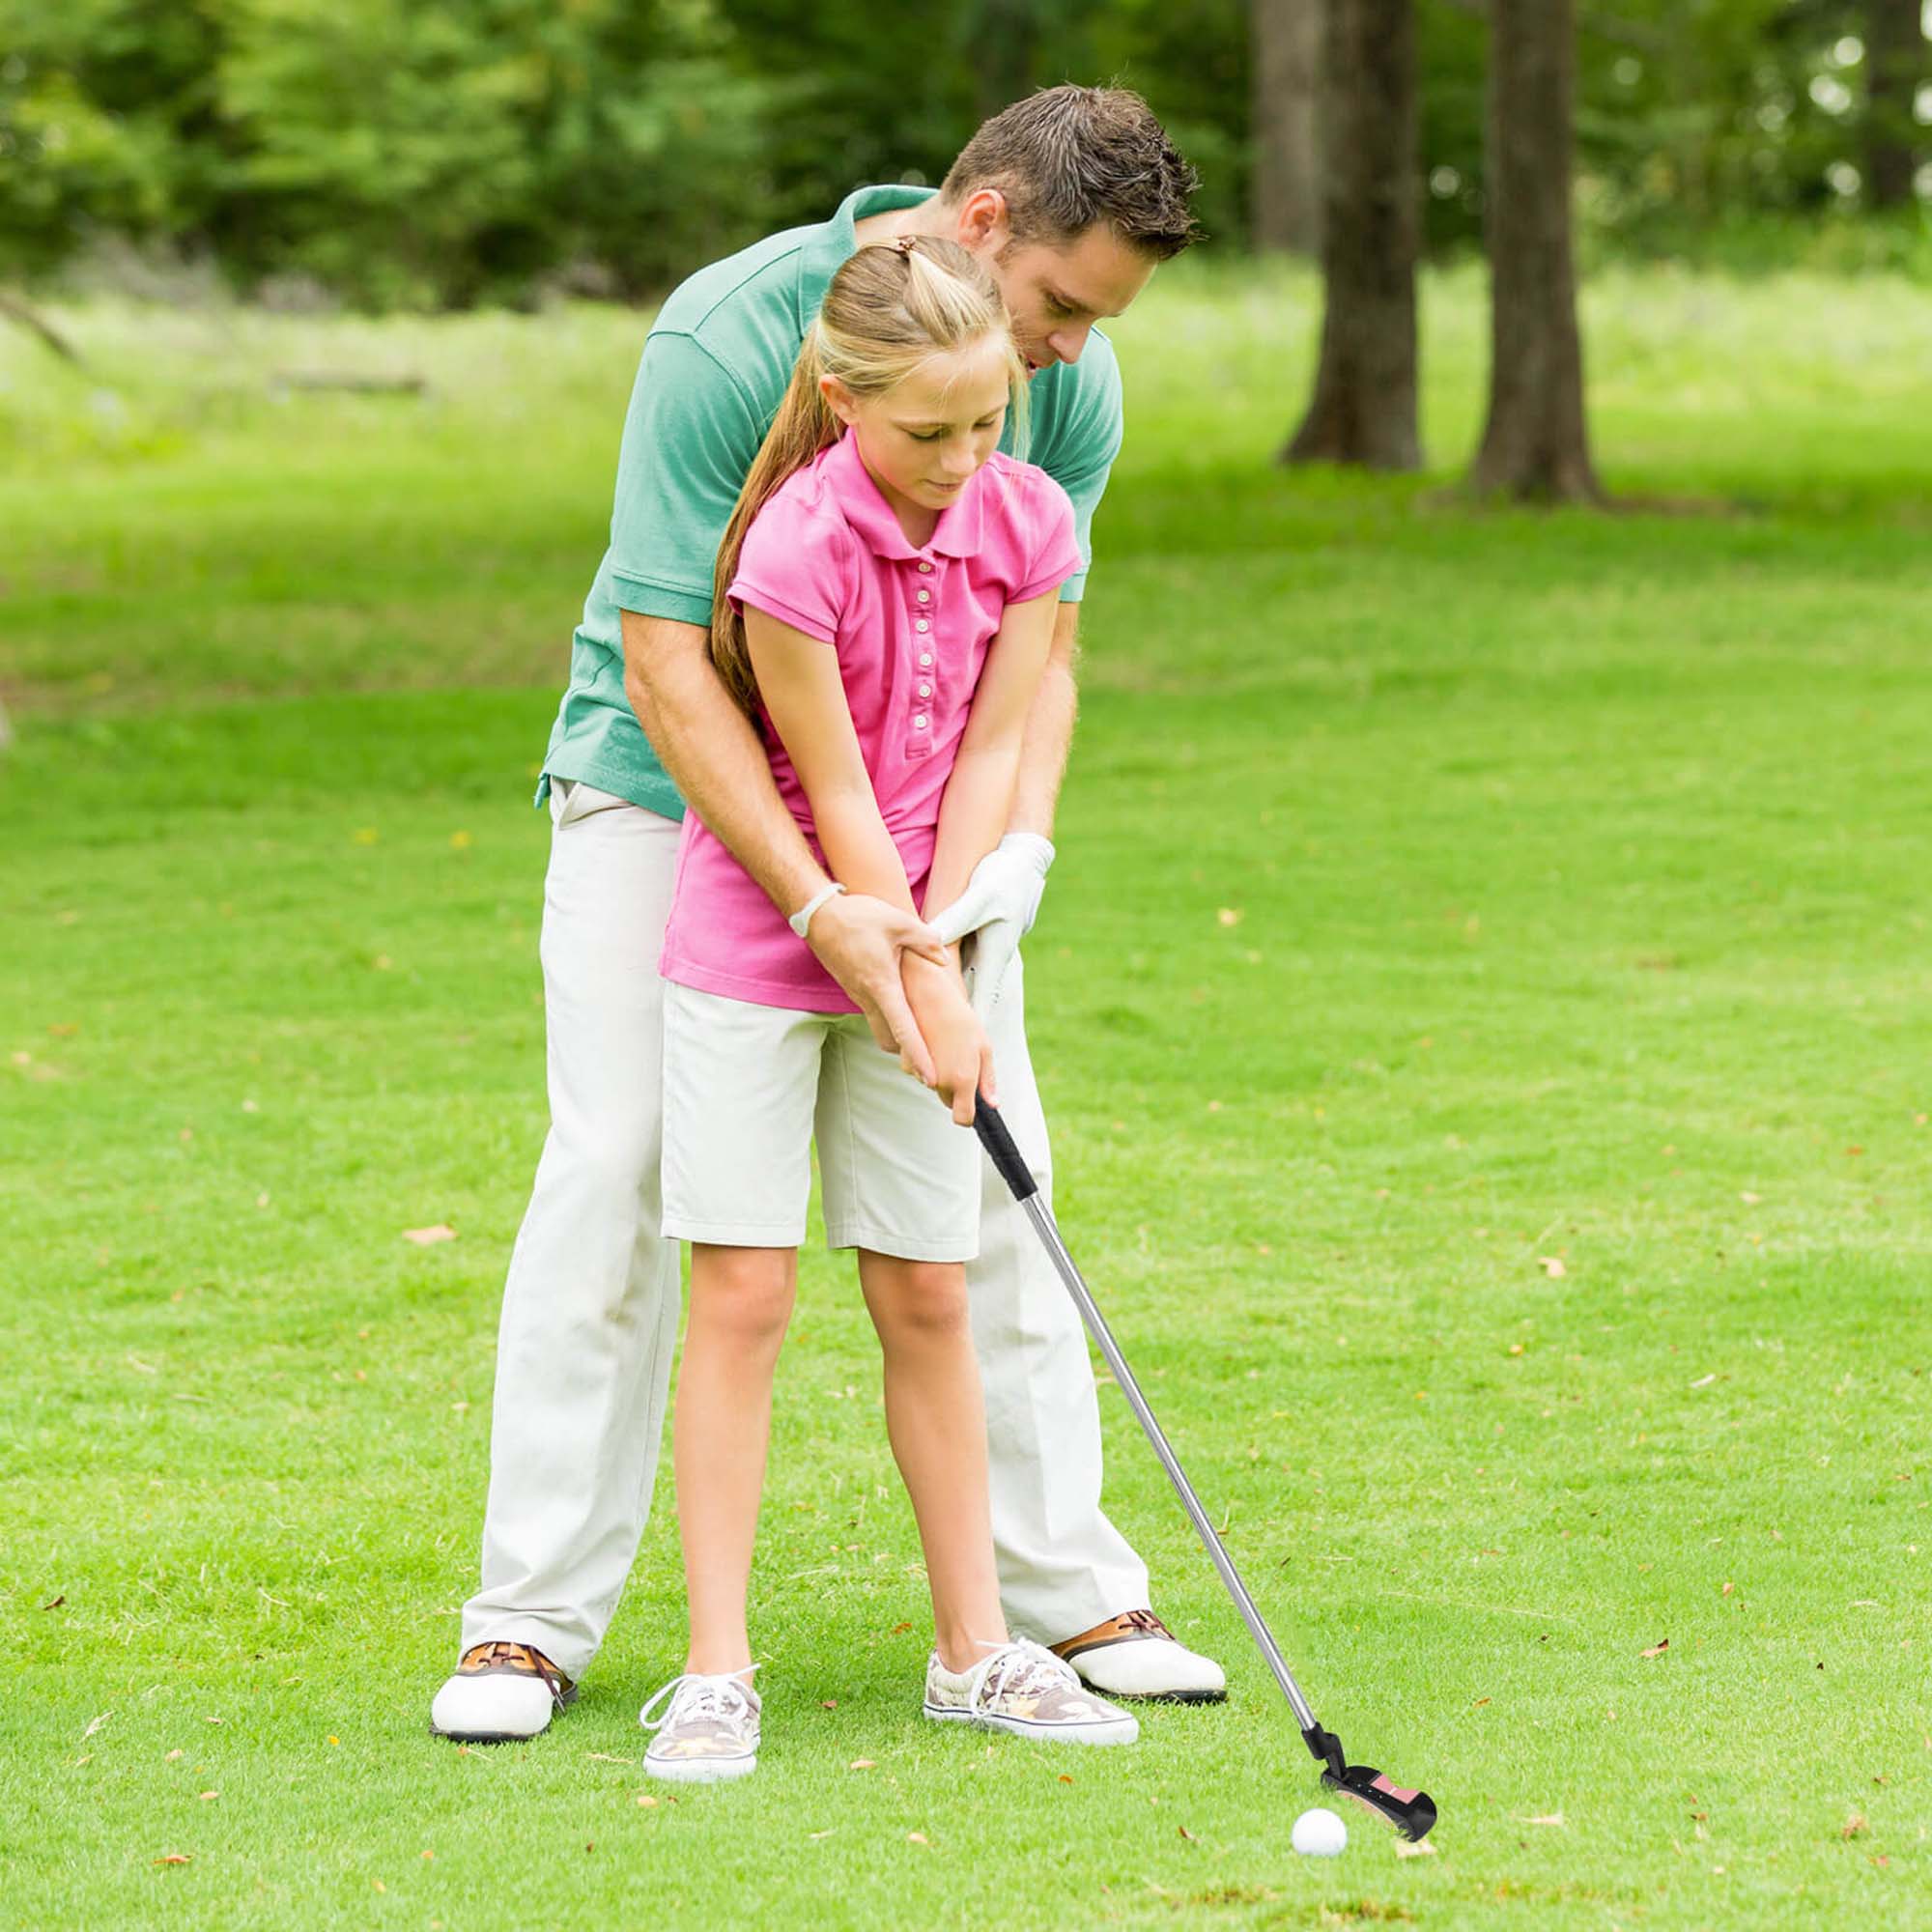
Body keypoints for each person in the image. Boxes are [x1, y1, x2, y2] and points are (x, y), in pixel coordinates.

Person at [432, 84, 1224, 1747]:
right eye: (1065, 307)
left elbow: (1039, 651)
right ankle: (531, 1621)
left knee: (990, 1156)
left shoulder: (1055, 390)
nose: (1075, 354)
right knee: (624, 1157)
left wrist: (1001, 872)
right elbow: (665, 659)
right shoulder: (730, 337)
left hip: (925, 816)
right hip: (669, 790)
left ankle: (1065, 1592)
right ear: (983, 222)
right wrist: (821, 902)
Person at [639, 236, 1139, 1780]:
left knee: (929, 1289)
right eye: (927, 433)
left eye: (985, 424)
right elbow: (838, 786)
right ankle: (717, 1670)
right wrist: (913, 975)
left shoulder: (1031, 518)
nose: (960, 461)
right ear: (844, 396)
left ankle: (976, 1652)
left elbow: (991, 749)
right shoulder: (789, 546)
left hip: (932, 918)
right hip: (767, 941)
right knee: (744, 1292)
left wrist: (976, 921)